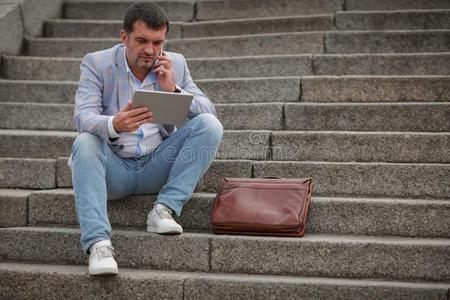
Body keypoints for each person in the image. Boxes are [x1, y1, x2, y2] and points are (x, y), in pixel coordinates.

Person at [70, 2, 223, 276]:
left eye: (157, 42)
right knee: (85, 142)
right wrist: (114, 124)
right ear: (124, 37)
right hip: (113, 170)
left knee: (209, 125)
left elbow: (209, 111)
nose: (150, 50)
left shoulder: (174, 63)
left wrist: (174, 90)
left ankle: (164, 209)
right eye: (141, 41)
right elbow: (83, 116)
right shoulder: (97, 63)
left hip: (157, 164)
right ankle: (98, 244)